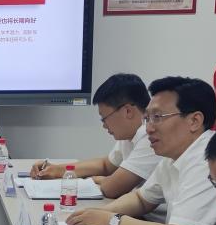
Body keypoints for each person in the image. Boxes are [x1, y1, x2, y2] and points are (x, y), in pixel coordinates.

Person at [67, 76, 216, 225]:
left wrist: (110, 220)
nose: (149, 128)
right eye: (147, 118)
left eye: (158, 117)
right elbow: (141, 199)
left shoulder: (207, 160)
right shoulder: (174, 155)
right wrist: (97, 214)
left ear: (194, 121)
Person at [28, 73, 159, 199]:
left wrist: (96, 179)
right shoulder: (130, 134)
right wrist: (55, 170)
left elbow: (112, 188)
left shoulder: (151, 137)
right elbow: (105, 166)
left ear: (128, 111)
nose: (104, 126)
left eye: (104, 118)